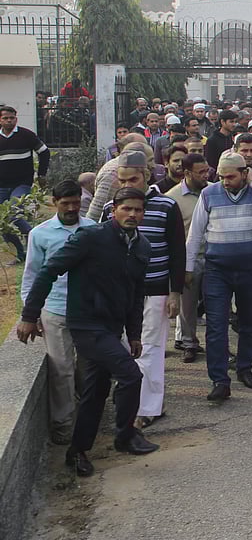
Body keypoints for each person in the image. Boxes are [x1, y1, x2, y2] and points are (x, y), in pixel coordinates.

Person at [17, 188, 159, 475]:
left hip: (112, 326)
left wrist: (134, 334)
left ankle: (77, 451)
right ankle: (125, 436)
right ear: (113, 210)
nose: (132, 215)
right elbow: (48, 271)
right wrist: (29, 316)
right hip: (85, 324)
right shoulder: (91, 237)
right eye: (126, 209)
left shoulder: (142, 246)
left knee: (96, 391)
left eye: (138, 210)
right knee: (131, 374)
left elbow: (136, 294)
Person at [185, 150, 252, 402]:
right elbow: (195, 234)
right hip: (217, 270)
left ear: (243, 173)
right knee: (216, 326)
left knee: (250, 322)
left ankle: (244, 368)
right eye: (221, 176)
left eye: (230, 176)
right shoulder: (209, 194)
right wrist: (187, 269)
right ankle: (219, 379)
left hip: (251, 268)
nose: (225, 181)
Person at [98, 150, 185, 429]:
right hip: (119, 291)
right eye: (121, 181)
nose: (127, 186)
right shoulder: (110, 209)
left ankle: (147, 408)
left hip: (155, 289)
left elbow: (177, 252)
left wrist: (175, 292)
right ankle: (126, 404)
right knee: (123, 347)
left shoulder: (166, 206)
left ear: (146, 176)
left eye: (132, 179)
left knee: (150, 348)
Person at [20, 180, 96, 444]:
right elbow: (32, 276)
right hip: (54, 309)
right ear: (55, 203)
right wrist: (29, 314)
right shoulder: (40, 234)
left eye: (76, 202)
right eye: (66, 204)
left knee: (88, 367)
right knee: (61, 370)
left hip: (88, 311)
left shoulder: (93, 230)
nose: (72, 208)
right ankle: (63, 426)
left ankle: (89, 420)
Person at [165, 153, 210, 363]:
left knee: (215, 304)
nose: (205, 175)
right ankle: (189, 343)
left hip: (213, 257)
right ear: (187, 173)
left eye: (207, 170)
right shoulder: (172, 198)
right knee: (187, 307)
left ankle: (217, 344)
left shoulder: (212, 192)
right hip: (187, 260)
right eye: (200, 172)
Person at [0, 104, 50, 260]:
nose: (9, 121)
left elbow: (44, 152)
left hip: (21, 184)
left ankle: (34, 237)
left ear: (16, 118)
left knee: (14, 213)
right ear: (0, 120)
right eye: (5, 118)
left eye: (12, 118)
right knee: (2, 221)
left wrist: (41, 175)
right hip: (1, 185)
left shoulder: (26, 135)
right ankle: (20, 254)